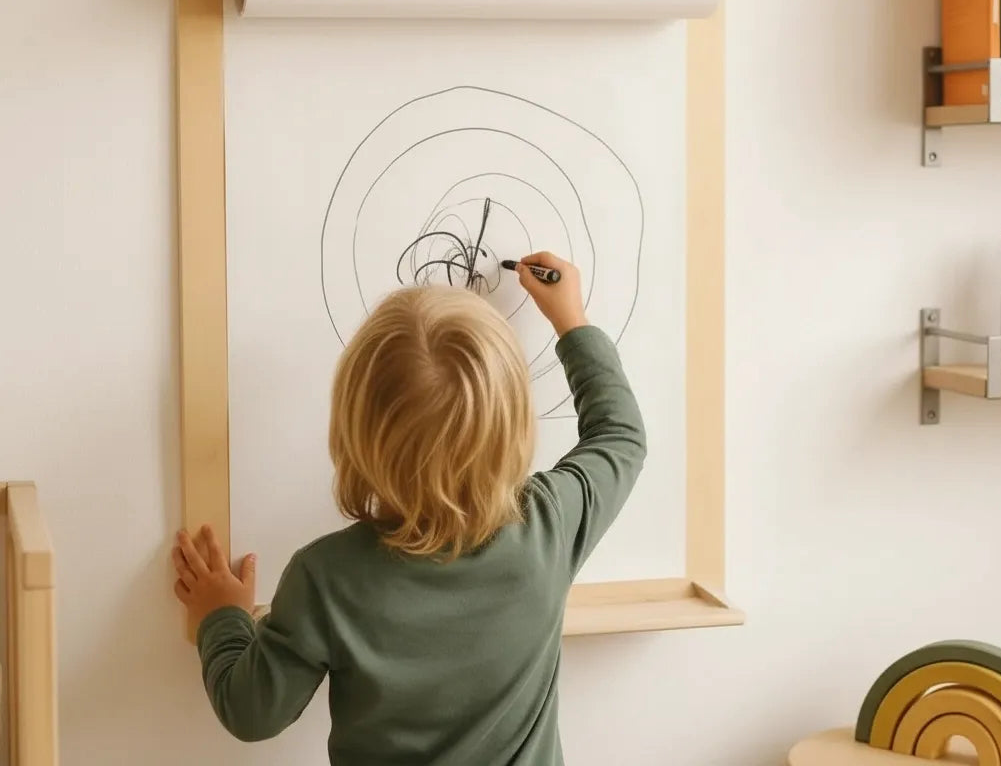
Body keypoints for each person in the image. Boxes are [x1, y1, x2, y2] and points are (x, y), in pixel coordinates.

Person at [172, 251, 646, 765]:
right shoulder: (549, 525)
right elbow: (620, 435)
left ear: (353, 433)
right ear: (515, 428)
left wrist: (220, 615)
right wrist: (571, 321)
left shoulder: (325, 578)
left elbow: (252, 712)